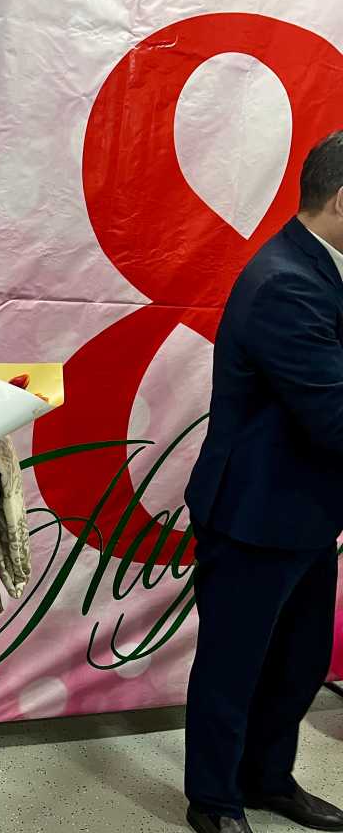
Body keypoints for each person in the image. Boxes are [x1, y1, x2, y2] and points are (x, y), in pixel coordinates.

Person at [183, 132, 343, 833]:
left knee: (298, 663)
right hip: (255, 512)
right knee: (234, 666)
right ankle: (215, 801)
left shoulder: (321, 267)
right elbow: (333, 417)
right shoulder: (287, 282)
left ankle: (268, 778)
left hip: (308, 508)